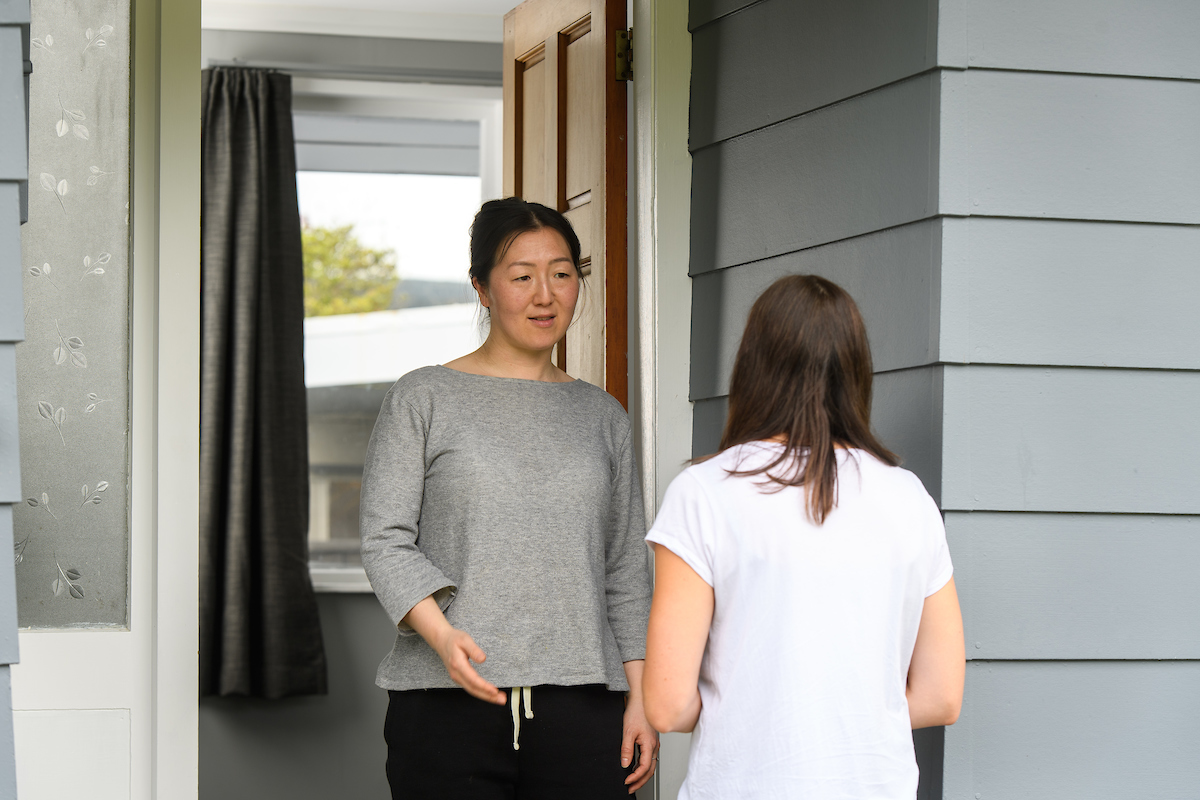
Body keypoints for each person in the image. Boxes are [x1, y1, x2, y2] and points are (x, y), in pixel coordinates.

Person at [360, 197, 658, 799]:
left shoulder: (602, 417)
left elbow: (625, 568)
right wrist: (443, 637)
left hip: (585, 709)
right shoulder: (424, 398)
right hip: (446, 706)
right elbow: (385, 540)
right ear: (482, 288)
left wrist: (642, 700)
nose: (544, 295)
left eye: (562, 273)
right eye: (522, 277)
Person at [642, 274, 965, 800]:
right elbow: (941, 695)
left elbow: (667, 704)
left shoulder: (704, 492)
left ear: (752, 365)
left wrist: (761, 714)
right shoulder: (910, 498)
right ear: (856, 371)